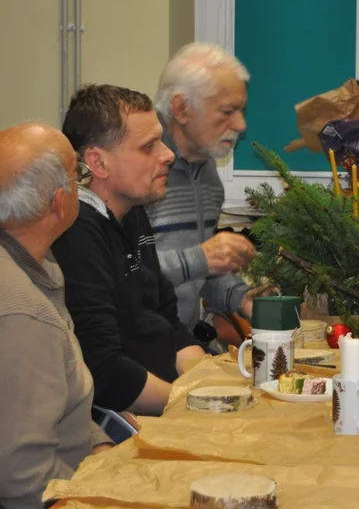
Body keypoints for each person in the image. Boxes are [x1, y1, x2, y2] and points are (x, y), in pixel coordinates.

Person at [52, 85, 207, 417]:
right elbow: (104, 371)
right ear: (98, 162)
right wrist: (195, 404)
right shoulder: (76, 234)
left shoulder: (132, 213)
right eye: (149, 146)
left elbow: (167, 317)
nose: (168, 155)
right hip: (128, 418)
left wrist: (209, 383)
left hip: (166, 398)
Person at [0, 123, 113, 508]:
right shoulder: (23, 312)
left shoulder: (37, 265)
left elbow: (61, 399)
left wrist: (100, 447)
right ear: (59, 203)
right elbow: (25, 481)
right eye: (77, 176)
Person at [147, 43, 262, 336]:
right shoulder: (138, 170)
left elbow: (199, 271)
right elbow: (119, 272)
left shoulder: (208, 176)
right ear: (181, 108)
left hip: (178, 342)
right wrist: (201, 257)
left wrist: (243, 298)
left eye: (242, 111)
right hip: (134, 351)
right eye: (227, 111)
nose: (241, 124)